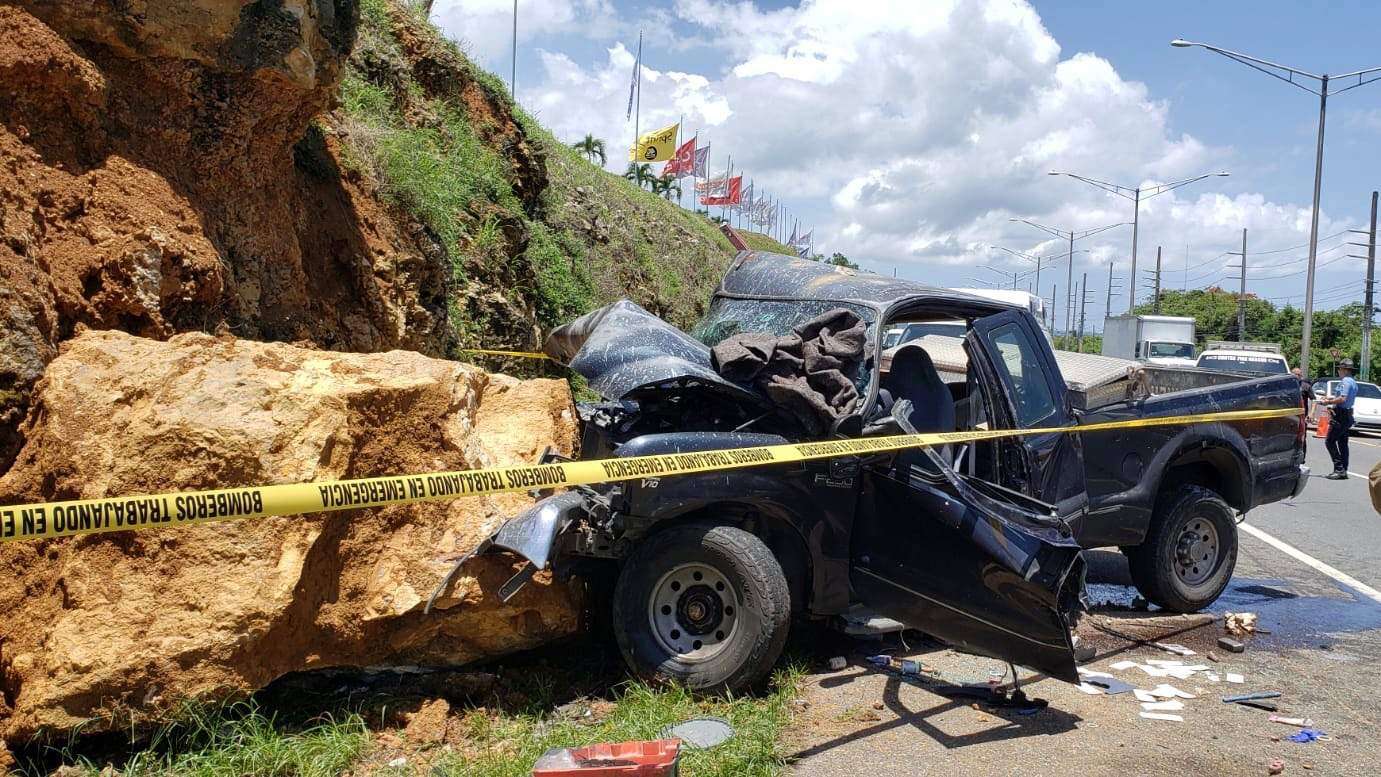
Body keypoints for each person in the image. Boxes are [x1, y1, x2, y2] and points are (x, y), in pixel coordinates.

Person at [1320, 359, 1358, 479]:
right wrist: (1331, 398)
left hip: (1341, 415)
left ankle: (1339, 468)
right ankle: (1344, 469)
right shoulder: (1352, 382)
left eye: (1340, 369)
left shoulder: (1345, 382)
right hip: (1346, 415)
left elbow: (1342, 398)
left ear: (1345, 370)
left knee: (1330, 441)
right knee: (1342, 443)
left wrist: (1328, 402)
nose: (1338, 371)